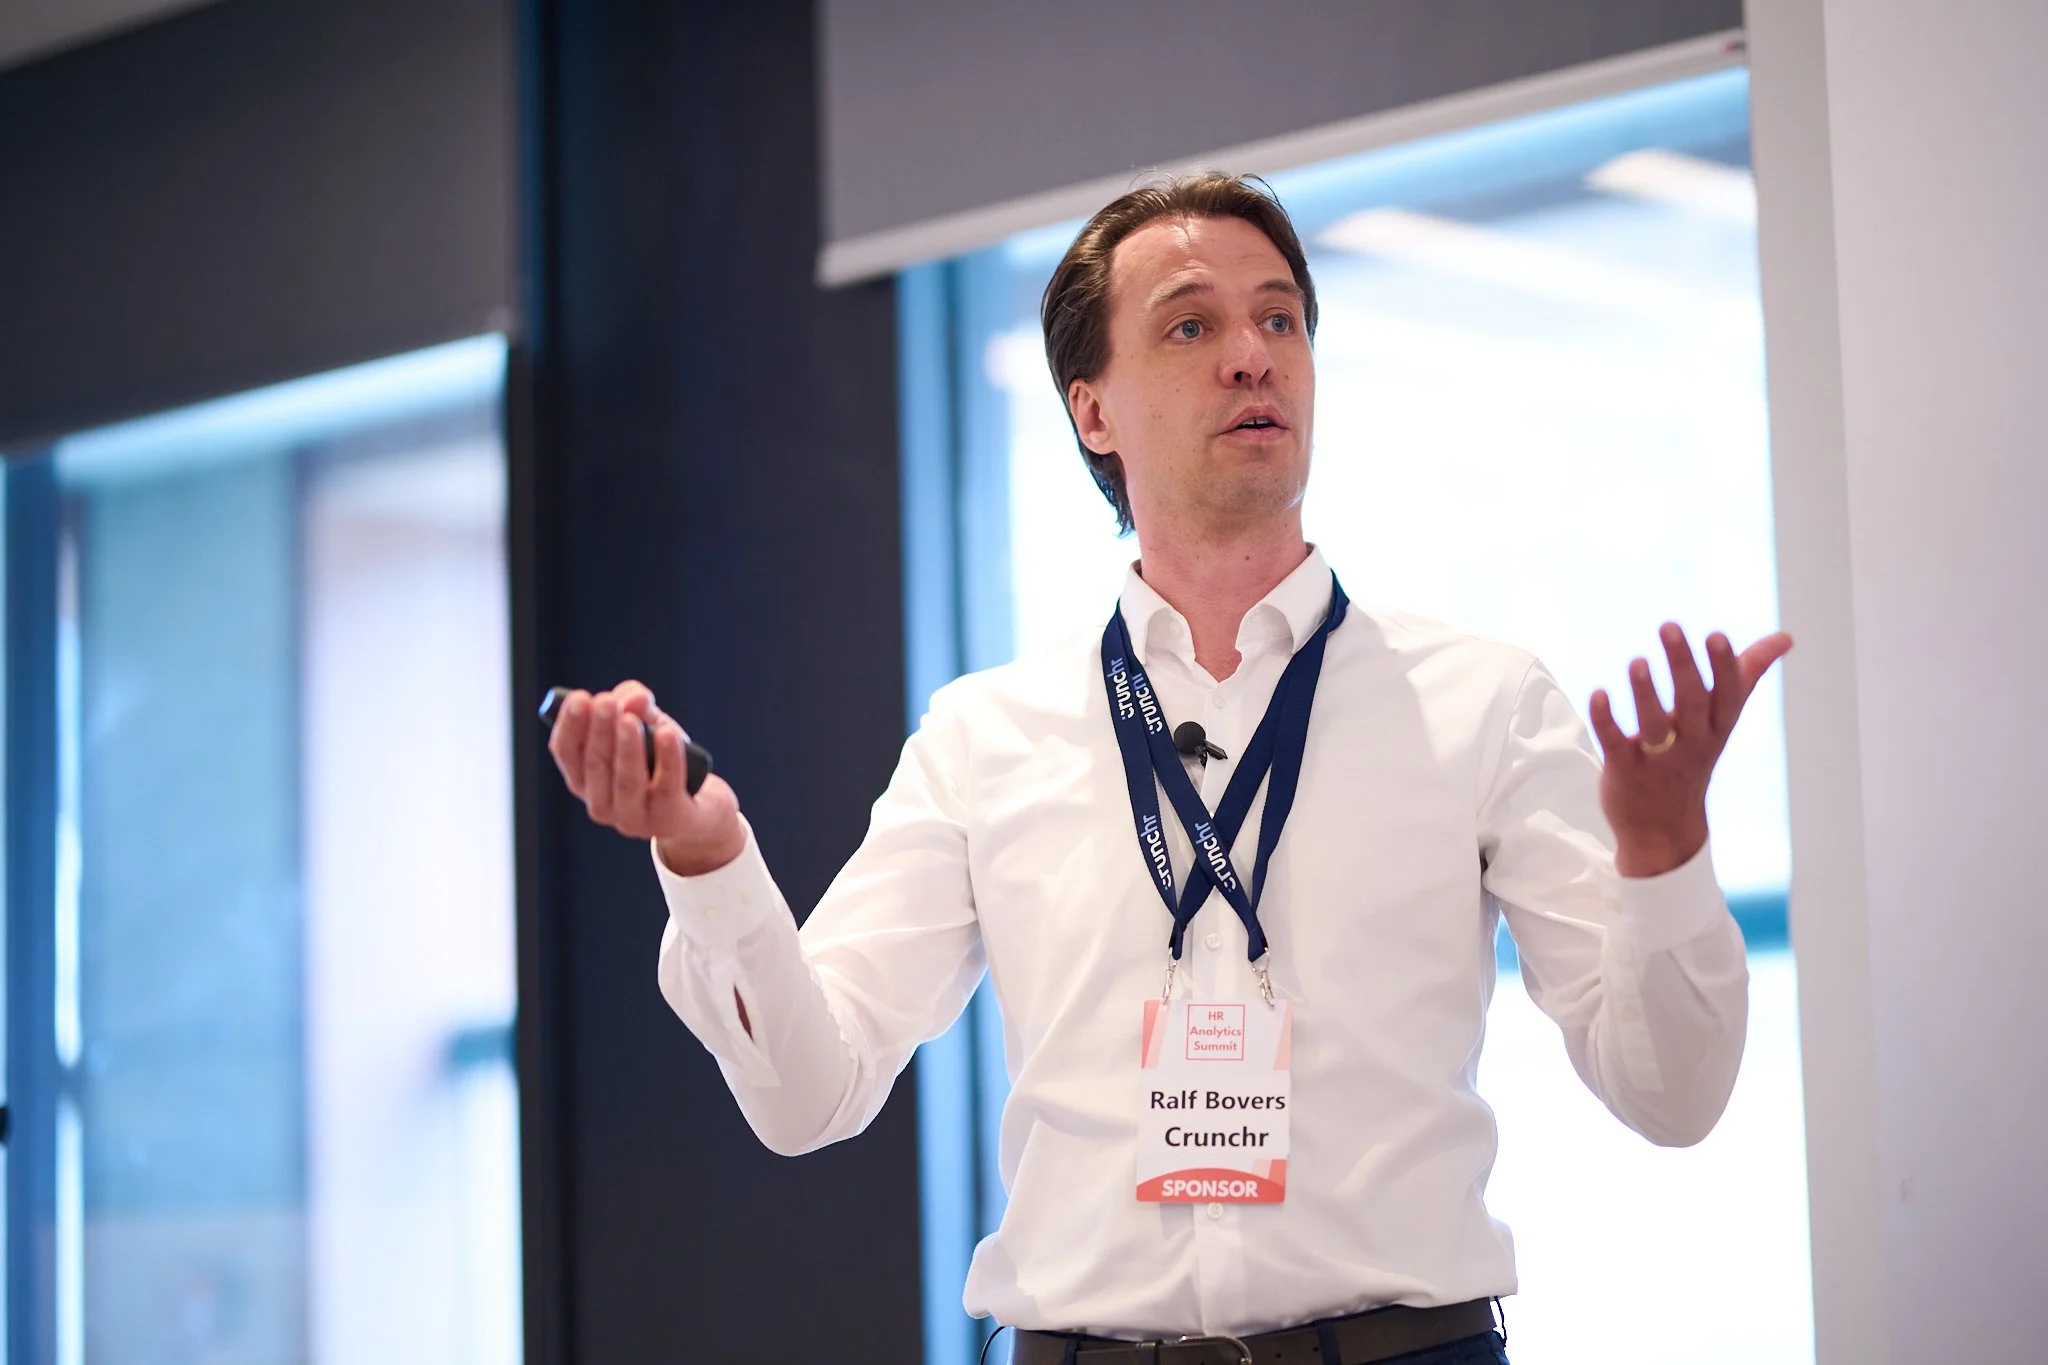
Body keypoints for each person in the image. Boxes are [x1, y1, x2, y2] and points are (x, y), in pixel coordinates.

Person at [547, 173, 1791, 1365]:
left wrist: (1662, 854)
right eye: (1190, 325)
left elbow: (1669, 1097)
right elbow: (806, 1095)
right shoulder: (987, 737)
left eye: (1278, 320)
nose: (1251, 354)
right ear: (1092, 410)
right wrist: (707, 853)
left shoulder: (1481, 702)